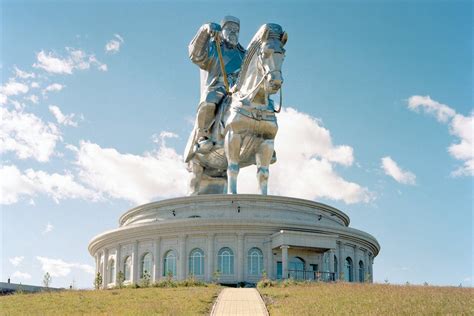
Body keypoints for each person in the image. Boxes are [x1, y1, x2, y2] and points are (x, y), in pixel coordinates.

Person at [185, 16, 245, 162]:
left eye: (236, 30)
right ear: (222, 30)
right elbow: (196, 55)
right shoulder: (214, 47)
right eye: (230, 29)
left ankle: (261, 140)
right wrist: (205, 30)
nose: (233, 32)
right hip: (218, 88)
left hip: (239, 91)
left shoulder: (243, 54)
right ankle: (202, 136)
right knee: (209, 100)